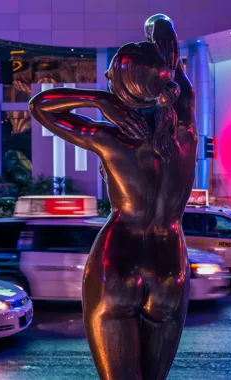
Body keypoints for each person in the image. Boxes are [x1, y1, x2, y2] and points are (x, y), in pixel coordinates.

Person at [29, 17, 197, 379]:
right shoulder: (185, 131)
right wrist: (159, 46)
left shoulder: (110, 138)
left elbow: (40, 106)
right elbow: (163, 26)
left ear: (121, 91)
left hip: (117, 257)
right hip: (170, 261)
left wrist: (99, 100)